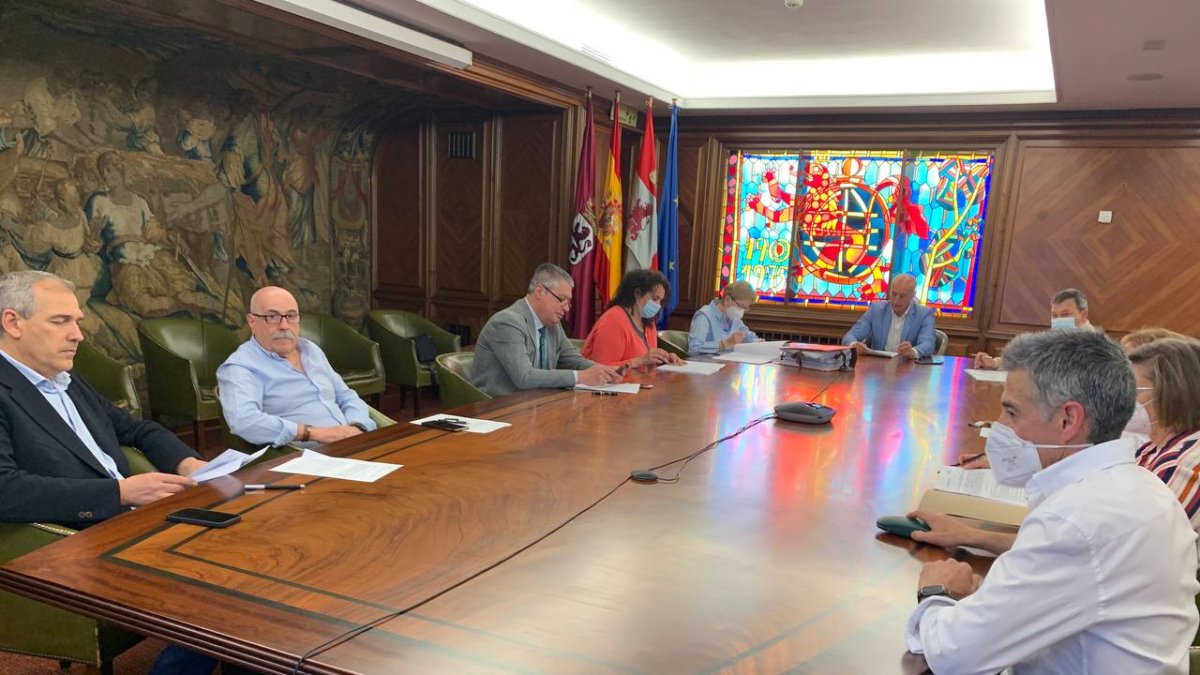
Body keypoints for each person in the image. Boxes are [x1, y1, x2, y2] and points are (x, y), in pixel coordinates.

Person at [906, 330, 1198, 674]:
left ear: (1068, 420)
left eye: (1011, 412)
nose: (1000, 426)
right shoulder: (1143, 486)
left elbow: (953, 655)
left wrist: (936, 592)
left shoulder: (1074, 520)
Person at [0, 270, 205, 528]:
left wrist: (187, 463)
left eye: (77, 322)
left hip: (137, 518)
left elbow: (136, 429)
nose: (77, 335)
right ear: (13, 323)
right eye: (60, 321)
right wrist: (120, 493)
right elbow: (6, 489)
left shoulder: (66, 379)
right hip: (81, 537)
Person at [217, 286, 375, 448]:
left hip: (352, 444)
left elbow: (346, 395)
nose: (284, 325)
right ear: (252, 322)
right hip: (305, 456)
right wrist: (313, 433)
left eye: (291, 316)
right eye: (272, 317)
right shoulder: (240, 366)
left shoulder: (310, 350)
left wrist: (358, 427)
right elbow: (244, 420)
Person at [472, 263, 620, 397]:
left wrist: (605, 371)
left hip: (535, 404)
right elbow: (524, 377)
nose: (567, 308)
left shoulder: (552, 325)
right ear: (540, 291)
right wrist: (580, 377)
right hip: (497, 408)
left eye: (568, 302)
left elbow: (573, 360)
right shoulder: (508, 322)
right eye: (561, 299)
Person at [1128, 337, 1200, 531]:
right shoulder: (1152, 448)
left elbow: (1140, 535)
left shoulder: (1183, 465)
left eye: (1134, 390)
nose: (1124, 399)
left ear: (1172, 393)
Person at [582, 269, 683, 369]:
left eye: (660, 301)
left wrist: (665, 359)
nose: (658, 305)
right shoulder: (613, 320)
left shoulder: (649, 322)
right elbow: (600, 368)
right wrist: (640, 361)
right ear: (638, 294)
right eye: (655, 299)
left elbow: (648, 361)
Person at [973, 288, 1094, 369]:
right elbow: (1026, 359)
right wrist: (994, 363)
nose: (1059, 320)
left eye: (1065, 315)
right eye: (1054, 315)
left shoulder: (1094, 345)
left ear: (1083, 315)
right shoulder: (1056, 336)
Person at [840, 273, 935, 359]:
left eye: (902, 296)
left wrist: (913, 352)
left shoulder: (924, 314)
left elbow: (928, 344)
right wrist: (854, 345)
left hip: (907, 366)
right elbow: (850, 336)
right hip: (878, 366)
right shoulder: (876, 310)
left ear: (912, 296)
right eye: (894, 294)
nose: (896, 300)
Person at [688, 280, 759, 356]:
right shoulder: (704, 316)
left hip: (729, 361)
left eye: (745, 308)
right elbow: (694, 348)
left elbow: (746, 335)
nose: (742, 311)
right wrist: (725, 343)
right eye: (741, 306)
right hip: (706, 362)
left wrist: (758, 342)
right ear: (727, 300)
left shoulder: (732, 316)